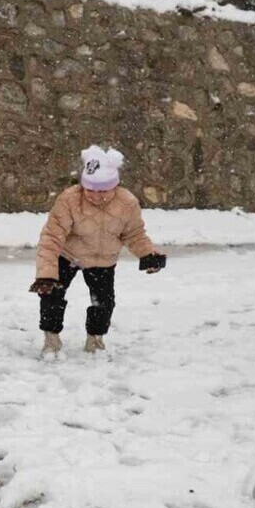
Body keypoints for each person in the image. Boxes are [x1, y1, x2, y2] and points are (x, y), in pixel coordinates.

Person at [30, 146, 165, 358]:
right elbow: (51, 238)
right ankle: (51, 339)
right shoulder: (69, 200)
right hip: (69, 256)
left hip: (103, 260)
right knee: (51, 294)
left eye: (102, 190)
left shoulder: (127, 203)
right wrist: (46, 274)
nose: (95, 195)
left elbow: (135, 234)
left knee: (104, 303)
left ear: (114, 186)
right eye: (90, 189)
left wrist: (148, 254)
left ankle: (95, 340)